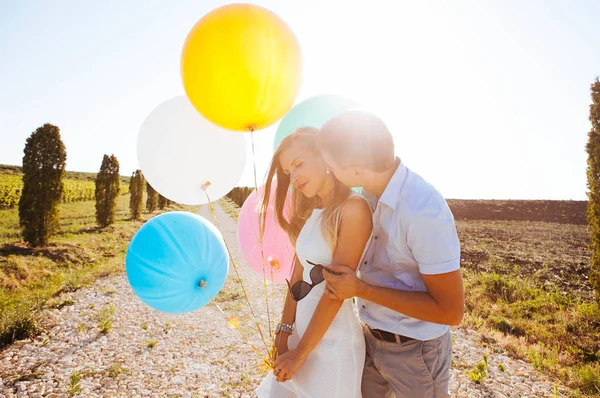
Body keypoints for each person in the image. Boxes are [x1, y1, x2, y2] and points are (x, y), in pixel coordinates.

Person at [318, 111, 464, 398]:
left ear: (357, 170)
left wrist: (360, 289)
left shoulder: (422, 211)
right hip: (370, 340)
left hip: (416, 353)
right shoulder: (366, 193)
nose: (330, 173)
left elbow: (451, 311)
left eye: (332, 167)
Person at [255, 127, 373, 398]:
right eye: (288, 172)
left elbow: (335, 291)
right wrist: (283, 333)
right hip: (300, 339)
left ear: (324, 157)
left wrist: (300, 354)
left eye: (298, 165)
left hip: (333, 348)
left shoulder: (354, 209)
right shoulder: (312, 212)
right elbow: (297, 274)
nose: (293, 177)